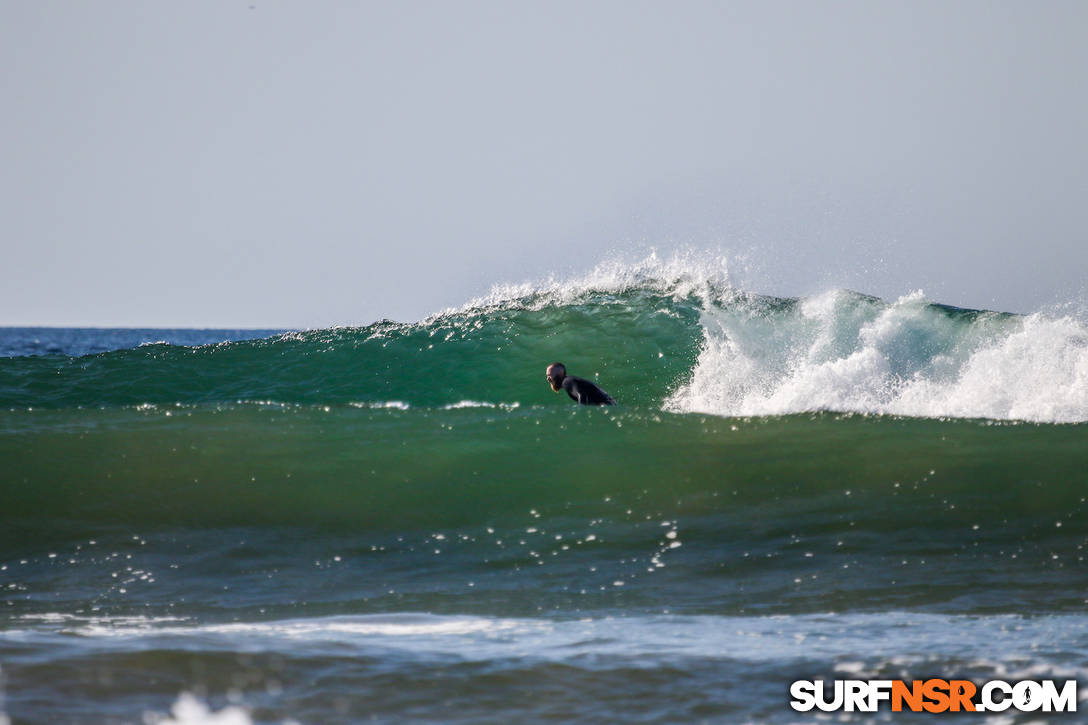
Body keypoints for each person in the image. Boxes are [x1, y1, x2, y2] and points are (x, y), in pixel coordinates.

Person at [545, 362, 616, 406]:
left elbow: (582, 394)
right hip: (610, 404)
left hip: (606, 406)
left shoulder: (566, 382)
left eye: (550, 376)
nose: (548, 379)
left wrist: (582, 414)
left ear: (559, 375)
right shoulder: (572, 380)